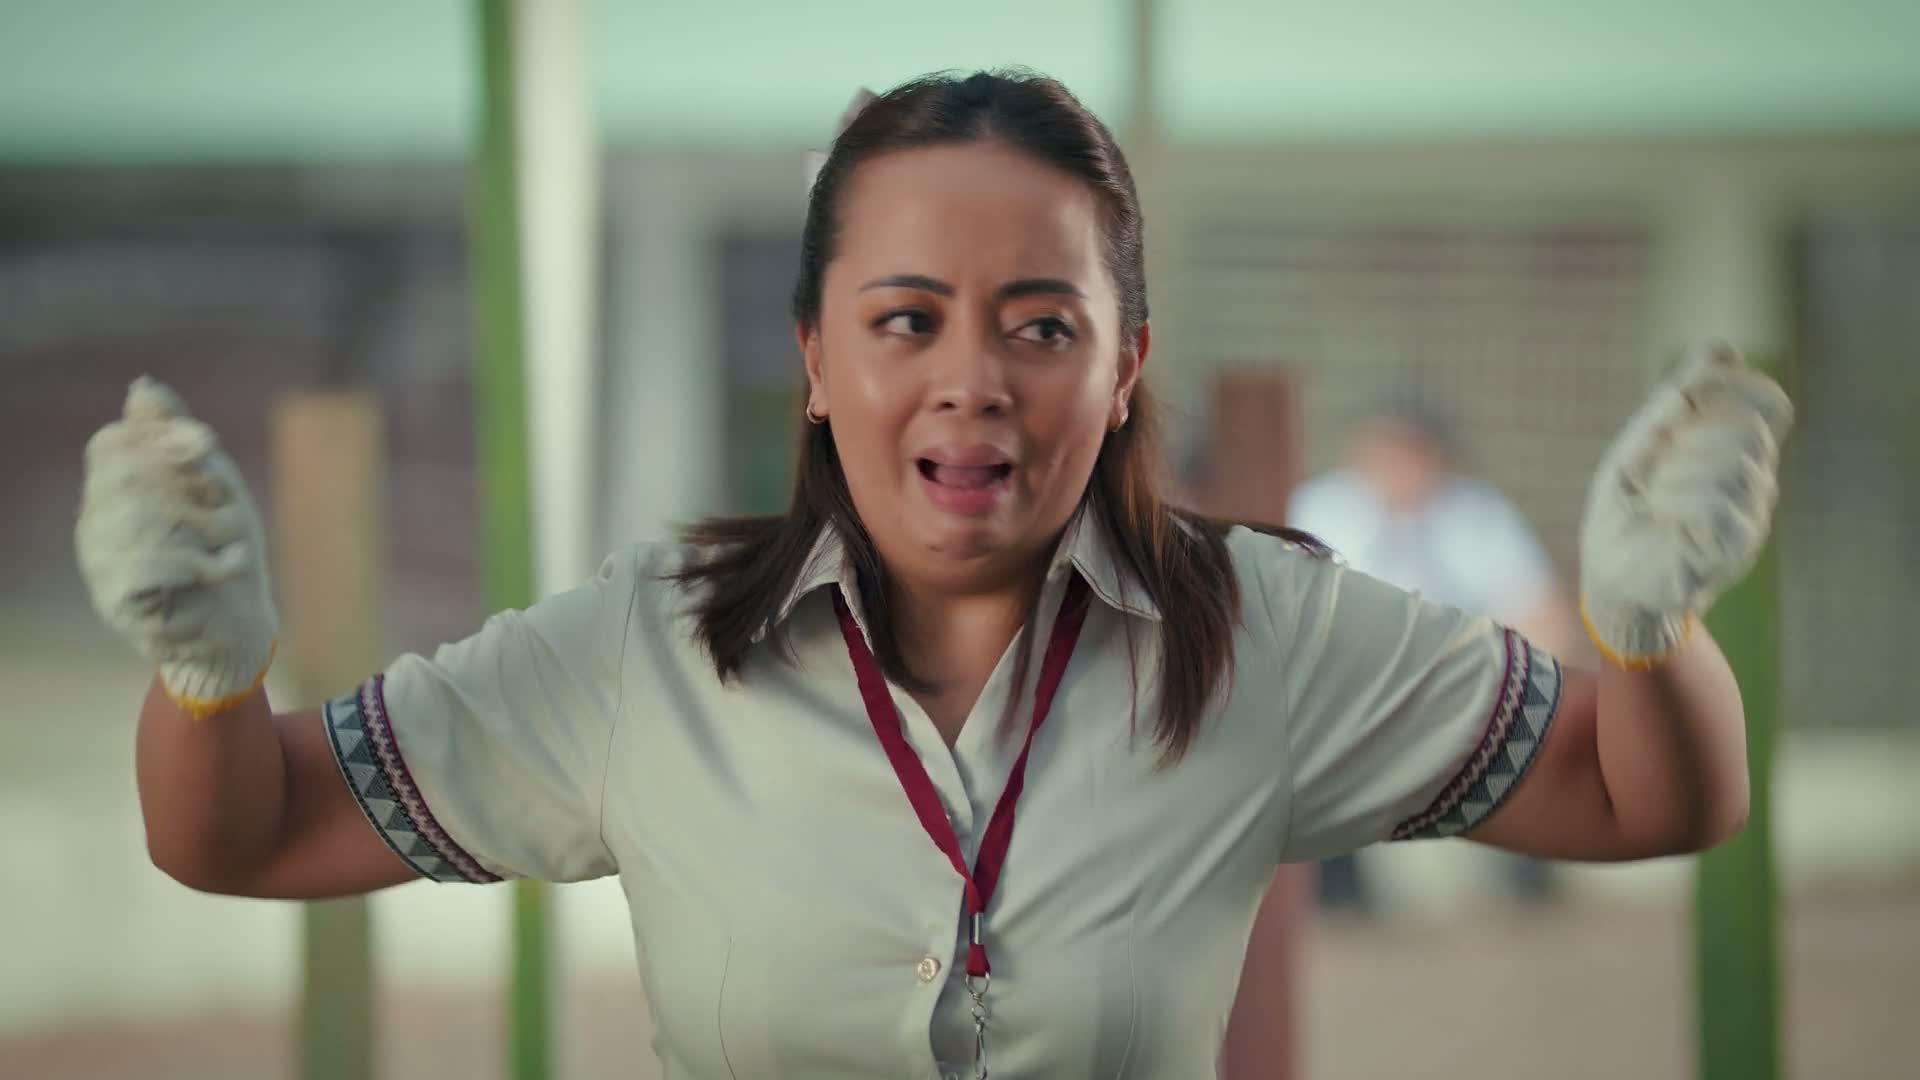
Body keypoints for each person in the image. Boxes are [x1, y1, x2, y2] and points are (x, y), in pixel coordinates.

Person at [76, 71, 1791, 1080]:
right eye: (907, 321)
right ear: (818, 359)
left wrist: (1652, 632)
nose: (973, 381)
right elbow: (243, 831)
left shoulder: (1265, 628)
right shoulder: (643, 649)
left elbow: (1645, 794)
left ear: (1125, 366)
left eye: (1041, 327)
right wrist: (206, 677)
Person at [1288, 403, 1585, 909]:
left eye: (1407, 454)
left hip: (1459, 681)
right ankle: (1339, 885)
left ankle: (1530, 877)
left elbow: (1542, 614)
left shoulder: (1477, 517)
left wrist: (1511, 678)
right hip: (1352, 683)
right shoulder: (1321, 510)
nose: (1393, 468)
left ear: (1436, 460)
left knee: (1540, 697)